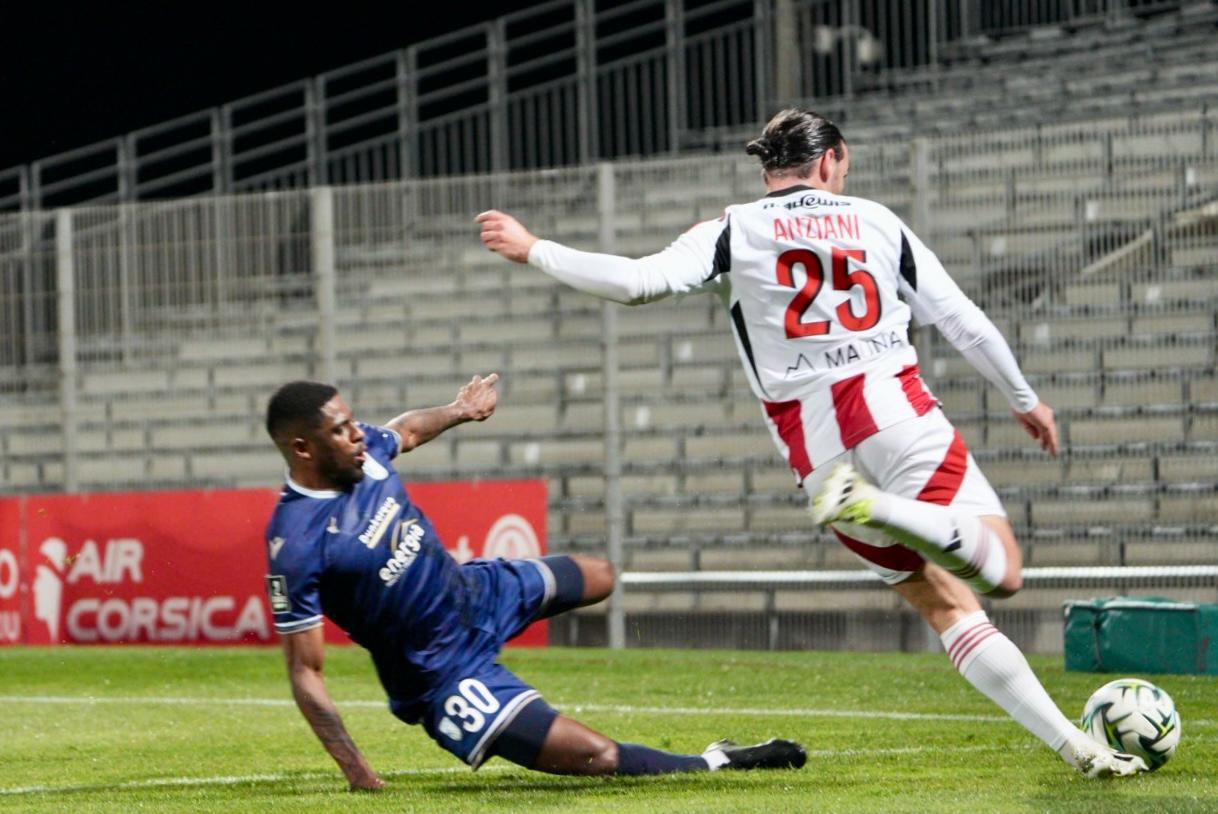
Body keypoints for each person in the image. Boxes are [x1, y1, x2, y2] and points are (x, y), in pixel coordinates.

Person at [475, 109, 1147, 778]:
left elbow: (635, 283)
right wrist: (1025, 400)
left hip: (819, 454)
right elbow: (963, 322)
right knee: (1000, 571)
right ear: (832, 161)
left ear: (767, 166)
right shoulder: (879, 222)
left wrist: (534, 247)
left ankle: (1075, 745)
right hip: (898, 419)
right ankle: (879, 506)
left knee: (945, 604)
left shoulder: (729, 231)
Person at [263, 374, 806, 791]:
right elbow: (305, 673)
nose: (358, 435)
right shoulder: (298, 542)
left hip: (479, 592)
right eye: (340, 430)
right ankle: (717, 758)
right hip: (441, 672)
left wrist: (460, 410)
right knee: (600, 758)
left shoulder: (366, 456)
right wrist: (356, 769)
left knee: (599, 575)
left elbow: (404, 430)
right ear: (303, 449)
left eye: (353, 422)